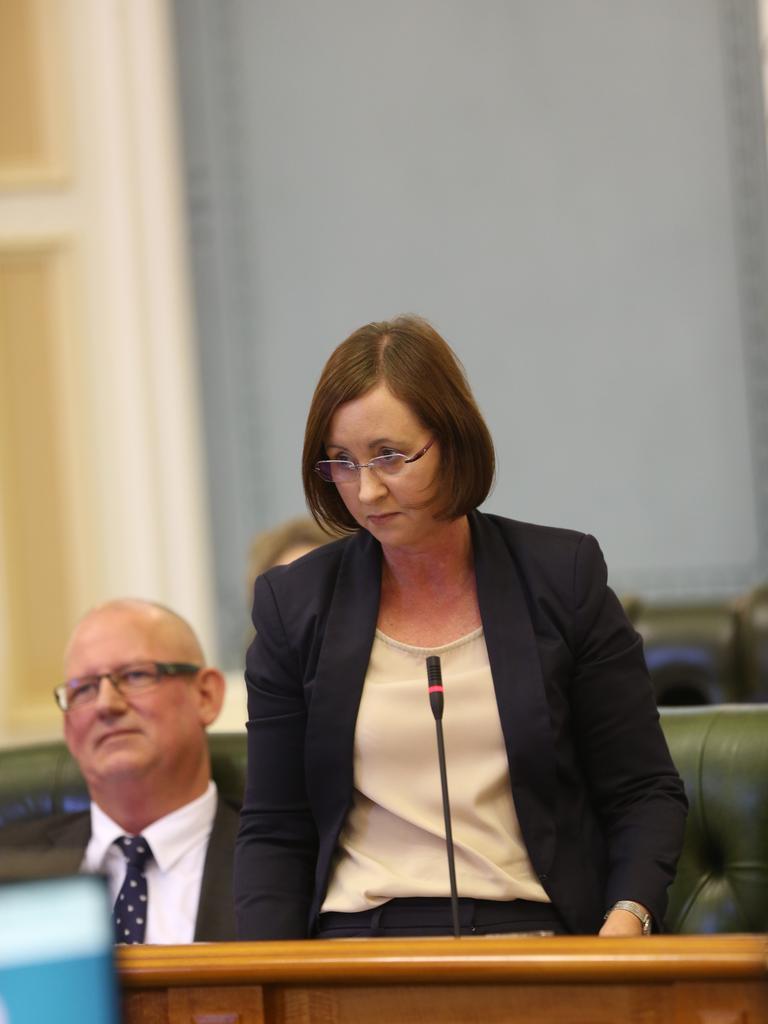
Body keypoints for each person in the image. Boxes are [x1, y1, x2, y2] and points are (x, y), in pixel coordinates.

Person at [234, 315, 688, 940]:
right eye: (340, 463)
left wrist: (626, 922)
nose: (366, 491)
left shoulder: (562, 578)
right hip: (356, 947)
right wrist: (272, 987)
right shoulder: (295, 605)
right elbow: (274, 829)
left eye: (390, 456)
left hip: (536, 936)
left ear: (453, 440)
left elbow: (643, 790)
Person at [0, 598, 238, 943]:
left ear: (205, 695)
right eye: (84, 689)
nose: (106, 705)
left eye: (135, 675)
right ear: (68, 727)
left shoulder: (292, 864)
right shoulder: (8, 866)